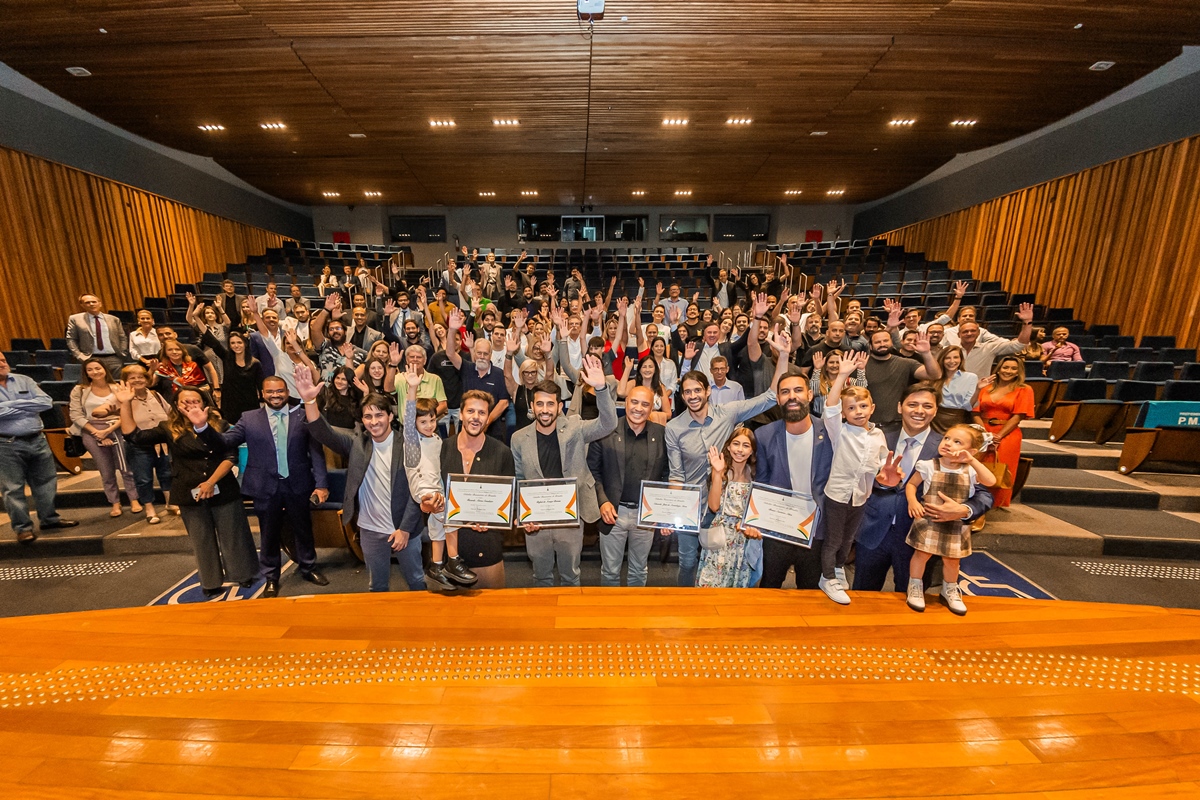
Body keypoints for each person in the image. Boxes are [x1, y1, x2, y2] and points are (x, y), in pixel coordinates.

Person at [665, 331, 791, 587]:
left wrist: (784, 356)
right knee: (688, 563)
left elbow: (769, 397)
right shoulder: (673, 428)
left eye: (697, 390)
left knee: (720, 563)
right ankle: (685, 608)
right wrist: (671, 510)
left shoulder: (728, 413)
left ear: (708, 390)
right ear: (682, 395)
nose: (692, 396)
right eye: (687, 392)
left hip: (724, 508)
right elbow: (676, 475)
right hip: (692, 507)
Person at [296, 368, 429, 593]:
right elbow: (322, 433)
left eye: (379, 415)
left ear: (390, 416)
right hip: (370, 530)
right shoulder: (357, 444)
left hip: (404, 528)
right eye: (368, 416)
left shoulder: (408, 444)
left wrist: (405, 529)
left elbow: (416, 493)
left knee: (417, 582)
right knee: (376, 586)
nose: (373, 421)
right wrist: (309, 400)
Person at [852, 383, 994, 593]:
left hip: (920, 537)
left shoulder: (949, 445)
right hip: (873, 532)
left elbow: (984, 493)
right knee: (862, 597)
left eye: (927, 406)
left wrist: (964, 511)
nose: (919, 411)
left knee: (910, 599)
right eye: (913, 404)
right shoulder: (877, 436)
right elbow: (854, 475)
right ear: (900, 407)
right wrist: (878, 482)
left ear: (936, 410)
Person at [117, 386, 257, 597]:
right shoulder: (168, 427)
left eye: (195, 401)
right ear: (177, 405)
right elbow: (134, 437)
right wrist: (125, 403)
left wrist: (210, 482)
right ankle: (210, 581)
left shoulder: (220, 424)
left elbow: (230, 457)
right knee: (201, 538)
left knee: (233, 534)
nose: (191, 405)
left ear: (204, 403)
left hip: (221, 485)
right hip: (188, 489)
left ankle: (242, 574)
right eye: (185, 402)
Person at [198, 376, 330, 598]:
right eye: (270, 392)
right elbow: (225, 442)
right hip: (264, 487)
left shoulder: (302, 415)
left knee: (303, 529)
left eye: (279, 391)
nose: (275, 395)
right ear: (262, 393)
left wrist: (322, 484)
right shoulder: (249, 419)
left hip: (298, 484)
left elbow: (316, 452)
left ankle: (308, 567)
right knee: (268, 534)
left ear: (287, 392)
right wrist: (203, 428)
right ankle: (271, 577)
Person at [512, 356, 616, 587]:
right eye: (540, 404)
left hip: (570, 515)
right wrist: (522, 512)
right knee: (541, 576)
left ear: (560, 407)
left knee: (570, 575)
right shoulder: (518, 438)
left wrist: (600, 389)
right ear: (532, 406)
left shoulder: (575, 428)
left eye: (551, 404)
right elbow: (520, 479)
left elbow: (608, 424)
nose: (545, 410)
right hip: (537, 518)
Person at [818, 353, 896, 605]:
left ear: (872, 408)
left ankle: (839, 567)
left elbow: (883, 467)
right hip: (838, 494)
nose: (858, 411)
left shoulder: (878, 436)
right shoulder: (839, 430)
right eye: (851, 408)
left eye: (863, 407)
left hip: (861, 495)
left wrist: (887, 475)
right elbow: (829, 408)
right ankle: (827, 576)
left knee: (848, 537)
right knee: (833, 539)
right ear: (844, 413)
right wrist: (841, 376)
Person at [747, 369, 833, 590]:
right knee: (770, 587)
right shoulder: (764, 435)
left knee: (810, 591)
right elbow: (762, 482)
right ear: (778, 399)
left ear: (810, 395)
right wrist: (755, 520)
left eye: (798, 390)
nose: (792, 396)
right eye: (785, 392)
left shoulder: (831, 432)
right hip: (778, 528)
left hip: (816, 529)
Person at [904, 424, 998, 615]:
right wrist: (913, 502)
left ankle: (950, 589)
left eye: (957, 442)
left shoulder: (970, 470)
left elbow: (991, 481)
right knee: (921, 555)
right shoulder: (929, 465)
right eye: (947, 438)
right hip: (929, 518)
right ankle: (915, 586)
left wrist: (971, 460)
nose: (948, 443)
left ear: (971, 450)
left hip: (955, 523)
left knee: (952, 560)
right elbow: (912, 485)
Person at [399, 367, 476, 591]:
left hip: (438, 487)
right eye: (423, 422)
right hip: (424, 490)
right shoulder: (412, 442)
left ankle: (437, 565)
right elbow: (409, 415)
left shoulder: (436, 438)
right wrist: (412, 388)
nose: (429, 425)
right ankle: (454, 560)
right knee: (451, 517)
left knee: (437, 528)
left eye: (432, 420)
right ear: (414, 424)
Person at [589, 385, 669, 588]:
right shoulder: (605, 430)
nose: (638, 408)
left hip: (645, 516)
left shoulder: (662, 435)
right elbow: (593, 472)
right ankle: (610, 617)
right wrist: (602, 501)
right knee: (610, 571)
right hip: (613, 513)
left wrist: (661, 510)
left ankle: (636, 616)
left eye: (645, 404)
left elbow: (667, 475)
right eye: (634, 402)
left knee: (639, 571)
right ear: (625, 403)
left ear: (652, 409)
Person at [440, 390, 516, 588]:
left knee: (492, 614)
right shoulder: (442, 449)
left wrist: (491, 518)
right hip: (446, 549)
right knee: (446, 617)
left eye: (482, 413)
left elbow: (509, 502)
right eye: (471, 411)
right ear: (461, 414)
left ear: (488, 416)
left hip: (486, 546)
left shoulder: (502, 453)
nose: (476, 417)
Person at [0, 353, 78, 542]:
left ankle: (49, 519)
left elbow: (45, 402)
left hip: (38, 439)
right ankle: (23, 529)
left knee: (46, 482)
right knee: (13, 488)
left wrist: (9, 406)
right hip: (7, 444)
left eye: (2, 360)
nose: (2, 364)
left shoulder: (24, 380)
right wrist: (28, 406)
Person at [68, 357, 139, 518]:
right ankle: (115, 503)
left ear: (105, 369)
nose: (95, 372)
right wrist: (96, 433)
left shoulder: (116, 388)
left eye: (98, 368)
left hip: (118, 428)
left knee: (126, 468)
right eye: (90, 369)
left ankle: (134, 499)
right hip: (91, 431)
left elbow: (127, 411)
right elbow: (75, 415)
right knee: (106, 471)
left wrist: (109, 430)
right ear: (86, 373)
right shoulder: (80, 390)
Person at [695, 427, 758, 588]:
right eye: (736, 444)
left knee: (736, 585)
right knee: (712, 584)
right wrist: (717, 473)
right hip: (721, 536)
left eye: (746, 445)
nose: (740, 449)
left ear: (752, 451)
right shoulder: (722, 472)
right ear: (729, 447)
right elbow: (714, 506)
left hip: (743, 540)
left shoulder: (755, 475)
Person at [974, 356, 1033, 509]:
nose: (1008, 371)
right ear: (999, 369)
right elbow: (974, 412)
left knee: (999, 469)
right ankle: (976, 501)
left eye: (1014, 368)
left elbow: (1018, 416)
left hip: (1007, 434)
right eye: (1005, 367)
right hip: (983, 432)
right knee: (978, 468)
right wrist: (985, 434)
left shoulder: (1024, 389)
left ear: (1018, 372)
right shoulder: (986, 387)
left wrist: (998, 436)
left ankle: (994, 504)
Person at [118, 364, 174, 524]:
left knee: (166, 474)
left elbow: (170, 413)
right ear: (126, 381)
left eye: (140, 376)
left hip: (162, 443)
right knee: (143, 478)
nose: (137, 380)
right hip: (138, 446)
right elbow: (105, 409)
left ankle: (170, 503)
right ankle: (150, 509)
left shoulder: (155, 395)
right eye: (132, 377)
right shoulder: (122, 398)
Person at [446, 308, 509, 440]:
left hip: (492, 429)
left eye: (485, 354)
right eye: (479, 353)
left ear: (490, 355)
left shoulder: (498, 373)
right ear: (474, 354)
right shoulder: (466, 368)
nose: (481, 356)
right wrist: (452, 330)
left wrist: (487, 420)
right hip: (467, 428)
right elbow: (450, 353)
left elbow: (503, 402)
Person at [863, 328, 941, 433]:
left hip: (897, 425)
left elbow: (935, 375)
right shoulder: (861, 364)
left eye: (885, 341)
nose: (882, 344)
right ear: (871, 346)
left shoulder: (906, 363)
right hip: (866, 424)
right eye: (877, 342)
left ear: (892, 343)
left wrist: (926, 353)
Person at [198, 328, 263, 424]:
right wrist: (197, 317)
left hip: (249, 403)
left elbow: (261, 385)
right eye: (232, 343)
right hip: (230, 403)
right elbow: (214, 342)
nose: (236, 346)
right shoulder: (226, 357)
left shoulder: (255, 363)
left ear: (245, 343)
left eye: (239, 342)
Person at [958, 303, 1035, 378]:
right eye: (965, 331)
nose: (969, 333)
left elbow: (1019, 345)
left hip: (981, 390)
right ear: (958, 334)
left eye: (973, 331)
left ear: (978, 333)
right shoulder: (951, 350)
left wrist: (1027, 322)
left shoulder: (989, 348)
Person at [65, 294, 128, 378]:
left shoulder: (113, 319)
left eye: (94, 302)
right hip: (90, 358)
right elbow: (71, 339)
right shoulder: (75, 319)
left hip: (114, 358)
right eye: (87, 302)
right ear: (82, 305)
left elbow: (122, 337)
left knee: (117, 385)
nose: (91, 304)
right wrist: (80, 355)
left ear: (100, 303)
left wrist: (122, 351)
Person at [931, 345, 980, 433]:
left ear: (961, 359)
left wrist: (977, 390)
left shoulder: (971, 377)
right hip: (934, 421)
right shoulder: (934, 377)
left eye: (956, 357)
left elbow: (968, 406)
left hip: (958, 421)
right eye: (947, 358)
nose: (952, 361)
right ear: (942, 360)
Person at [392, 344, 446, 421]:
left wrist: (427, 418)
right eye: (411, 357)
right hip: (405, 427)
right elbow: (388, 389)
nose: (415, 359)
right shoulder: (400, 378)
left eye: (419, 357)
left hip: (428, 426)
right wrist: (393, 365)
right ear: (407, 360)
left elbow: (443, 405)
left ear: (425, 361)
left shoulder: (435, 379)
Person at [617, 356, 673, 423]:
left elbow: (669, 414)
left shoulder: (660, 387)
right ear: (640, 370)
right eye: (644, 367)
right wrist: (628, 368)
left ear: (655, 370)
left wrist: (653, 416)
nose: (647, 370)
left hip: (654, 425)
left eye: (650, 367)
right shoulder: (633, 384)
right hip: (635, 422)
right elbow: (620, 392)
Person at [808, 350, 866, 415]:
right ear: (826, 366)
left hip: (845, 419)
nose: (835, 365)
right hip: (821, 419)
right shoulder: (820, 383)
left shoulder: (850, 382)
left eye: (838, 362)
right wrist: (817, 369)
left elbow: (862, 392)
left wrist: (861, 370)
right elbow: (813, 392)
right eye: (831, 362)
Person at [318, 367, 363, 434]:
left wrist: (366, 392)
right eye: (337, 378)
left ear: (350, 382)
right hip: (329, 434)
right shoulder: (326, 395)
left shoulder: (355, 398)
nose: (339, 381)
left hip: (349, 437)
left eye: (343, 379)